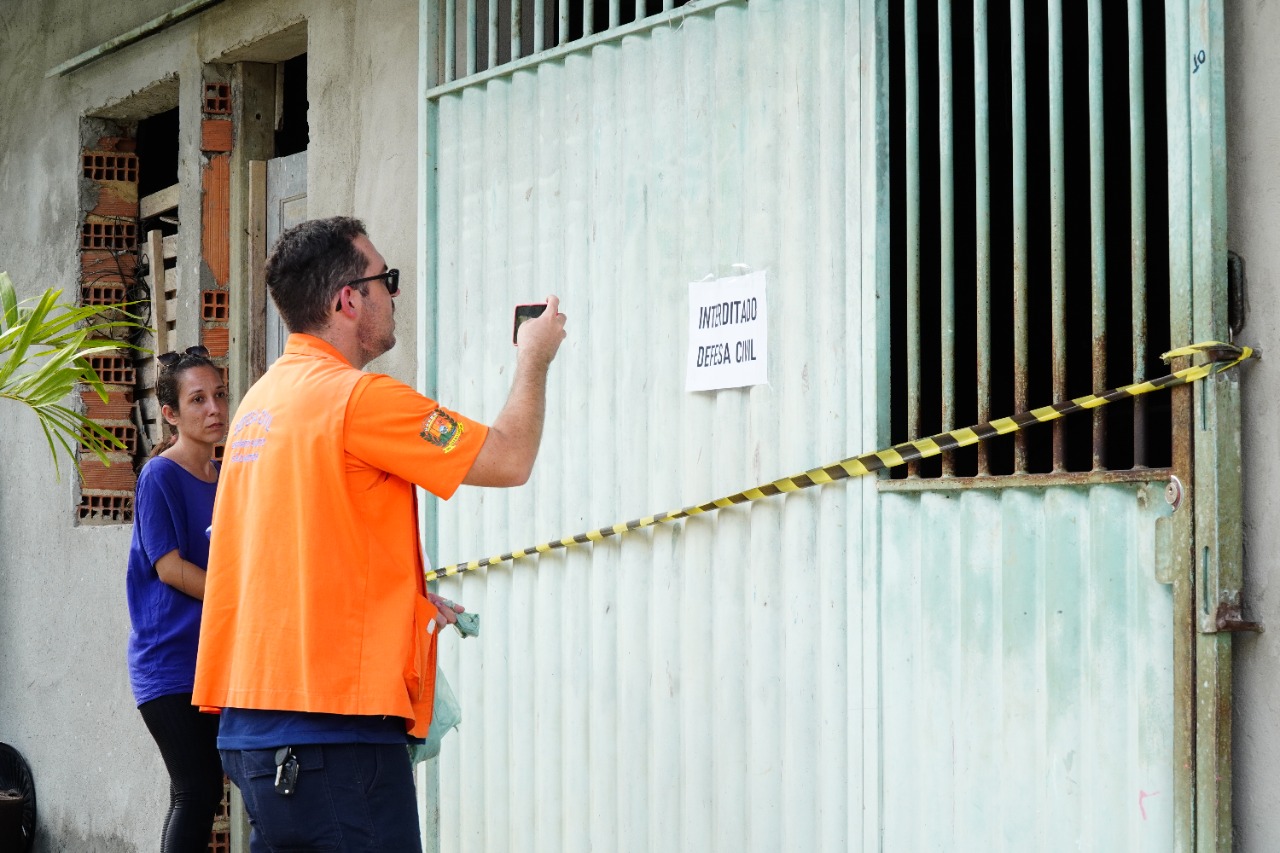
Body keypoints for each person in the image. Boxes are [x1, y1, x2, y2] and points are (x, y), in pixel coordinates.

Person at [192, 216, 566, 852]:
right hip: (332, 738)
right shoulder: (358, 398)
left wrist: (402, 604)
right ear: (347, 300)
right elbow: (510, 457)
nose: (394, 292)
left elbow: (301, 553)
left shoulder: (259, 405)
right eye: (385, 279)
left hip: (253, 732)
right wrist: (535, 357)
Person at [126, 345, 229, 853]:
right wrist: (239, 597)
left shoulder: (227, 476)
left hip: (213, 660)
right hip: (168, 666)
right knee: (196, 790)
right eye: (197, 400)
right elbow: (168, 568)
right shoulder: (159, 475)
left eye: (219, 396)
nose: (214, 409)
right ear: (170, 413)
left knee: (212, 789)